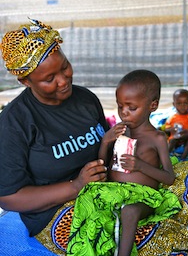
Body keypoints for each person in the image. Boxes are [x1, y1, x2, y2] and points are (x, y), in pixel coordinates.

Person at [0, 18, 109, 255]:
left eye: (65, 67)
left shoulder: (86, 99)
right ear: (25, 81)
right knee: (114, 236)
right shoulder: (14, 121)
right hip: (55, 212)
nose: (63, 80)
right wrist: (77, 186)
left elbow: (107, 145)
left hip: (105, 189)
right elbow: (8, 197)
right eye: (49, 79)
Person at [67, 70, 181, 256]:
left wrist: (140, 166)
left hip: (143, 197)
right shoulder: (119, 132)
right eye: (120, 107)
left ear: (153, 106)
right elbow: (103, 166)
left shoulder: (157, 138)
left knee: (129, 211)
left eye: (132, 108)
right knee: (88, 200)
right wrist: (105, 141)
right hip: (114, 191)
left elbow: (169, 178)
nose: (124, 114)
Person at [164, 88, 188, 160]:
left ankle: (183, 158)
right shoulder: (172, 117)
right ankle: (166, 156)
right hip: (176, 137)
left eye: (185, 103)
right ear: (174, 104)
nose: (182, 106)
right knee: (172, 141)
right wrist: (171, 130)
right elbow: (166, 128)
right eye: (179, 103)